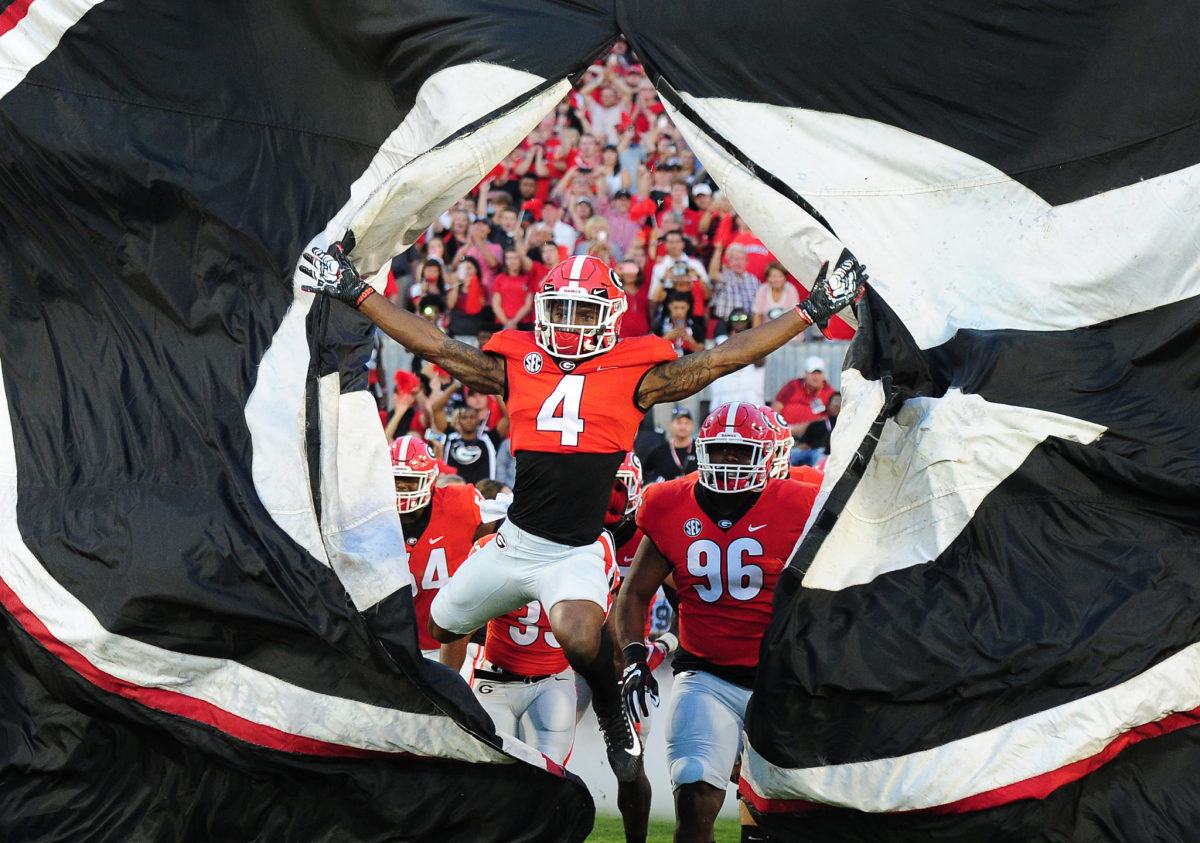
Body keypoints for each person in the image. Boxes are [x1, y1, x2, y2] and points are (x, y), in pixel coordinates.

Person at [300, 240, 866, 783]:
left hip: (572, 549)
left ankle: (609, 711)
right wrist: (356, 293)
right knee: (442, 623)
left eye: (581, 310)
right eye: (560, 309)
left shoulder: (636, 375)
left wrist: (810, 310)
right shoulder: (517, 364)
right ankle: (446, 729)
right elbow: (440, 347)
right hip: (515, 541)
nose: (569, 324)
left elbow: (723, 358)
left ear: (611, 317)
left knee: (576, 636)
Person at [614, 402, 818, 843]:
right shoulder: (669, 501)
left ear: (768, 457)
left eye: (739, 452)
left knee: (787, 810)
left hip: (783, 678)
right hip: (707, 674)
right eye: (720, 450)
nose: (727, 461)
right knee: (693, 793)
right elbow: (633, 592)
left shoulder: (803, 500)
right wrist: (633, 657)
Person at [389, 435, 483, 665]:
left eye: (409, 479)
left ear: (429, 479)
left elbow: (500, 531)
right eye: (395, 479)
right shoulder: (369, 517)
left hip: (452, 643)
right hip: (394, 643)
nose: (401, 486)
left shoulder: (460, 504)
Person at [772, 355, 836, 441]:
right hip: (784, 432)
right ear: (806, 374)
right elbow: (776, 407)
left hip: (810, 437)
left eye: (819, 373)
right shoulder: (793, 386)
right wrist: (777, 428)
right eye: (813, 373)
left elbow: (828, 419)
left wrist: (803, 427)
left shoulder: (829, 392)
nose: (816, 377)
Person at [642, 406, 697, 483]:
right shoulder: (658, 453)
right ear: (671, 425)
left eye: (687, 423)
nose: (683, 426)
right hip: (667, 492)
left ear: (692, 426)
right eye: (679, 422)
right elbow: (646, 473)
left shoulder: (700, 450)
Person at [752, 261, 802, 327]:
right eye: (773, 276)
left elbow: (795, 316)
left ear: (785, 277)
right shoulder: (762, 290)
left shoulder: (791, 289)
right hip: (767, 332)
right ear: (768, 278)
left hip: (789, 330)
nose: (777, 279)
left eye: (780, 276)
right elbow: (757, 316)